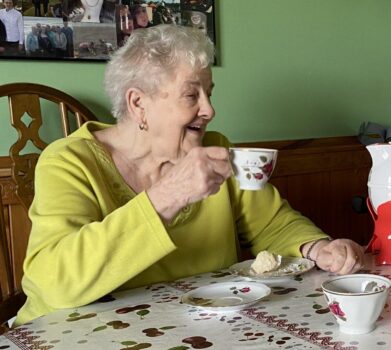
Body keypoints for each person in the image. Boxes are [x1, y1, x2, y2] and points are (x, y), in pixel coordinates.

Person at [16, 24, 365, 326]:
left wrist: (318, 248)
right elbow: (54, 281)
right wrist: (167, 195)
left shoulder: (216, 149)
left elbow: (272, 223)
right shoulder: (69, 162)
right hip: (78, 332)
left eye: (209, 94)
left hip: (193, 329)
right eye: (191, 95)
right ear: (139, 104)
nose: (210, 109)